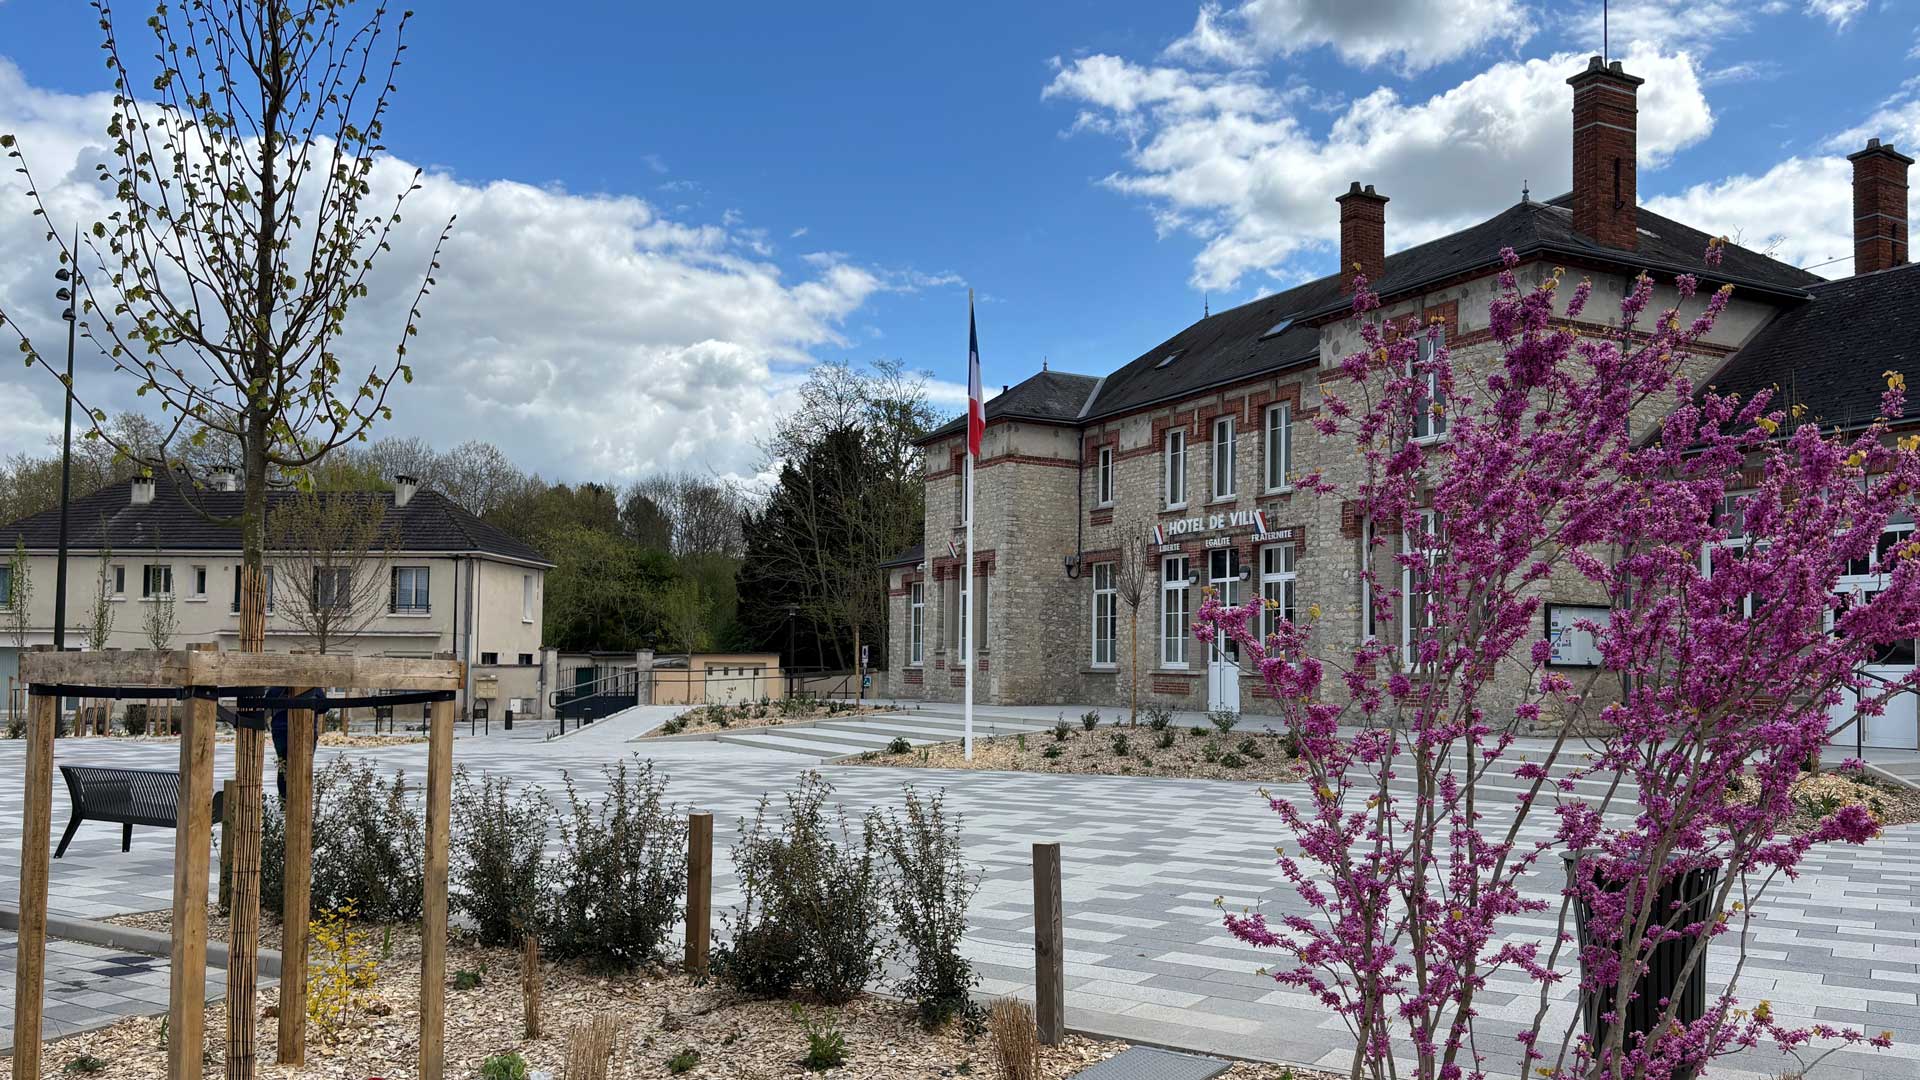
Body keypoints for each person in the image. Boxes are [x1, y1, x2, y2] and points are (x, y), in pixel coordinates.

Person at [268, 686, 328, 799]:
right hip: (305, 730)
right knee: (304, 764)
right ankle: (300, 797)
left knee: (284, 766)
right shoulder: (311, 685)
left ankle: (285, 799)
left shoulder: (276, 687)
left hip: (281, 730)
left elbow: (267, 705)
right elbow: (324, 707)